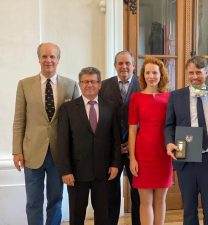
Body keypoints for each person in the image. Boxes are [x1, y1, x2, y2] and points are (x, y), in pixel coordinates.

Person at [12, 42, 80, 225]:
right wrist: (16, 150)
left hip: (59, 154)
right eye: (44, 56)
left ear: (58, 59)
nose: (48, 60)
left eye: (52, 56)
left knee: (55, 201)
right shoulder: (24, 85)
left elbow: (77, 123)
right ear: (38, 59)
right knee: (33, 202)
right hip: (31, 152)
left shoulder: (71, 85)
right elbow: (19, 120)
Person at [57, 67, 121, 225]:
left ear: (100, 84)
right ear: (79, 84)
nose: (89, 85)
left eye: (93, 81)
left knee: (103, 216)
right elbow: (63, 142)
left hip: (104, 172)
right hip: (77, 174)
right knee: (77, 215)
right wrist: (65, 170)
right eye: (85, 81)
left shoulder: (110, 107)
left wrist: (115, 164)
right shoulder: (68, 109)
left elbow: (115, 139)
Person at [164, 56, 208, 225]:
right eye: (191, 73)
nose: (194, 76)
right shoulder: (176, 96)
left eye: (198, 72)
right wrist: (169, 142)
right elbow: (169, 125)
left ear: (206, 73)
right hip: (185, 152)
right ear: (186, 74)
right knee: (188, 205)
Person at [128, 57, 173, 225]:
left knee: (160, 200)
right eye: (147, 72)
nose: (151, 76)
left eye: (154, 72)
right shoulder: (136, 98)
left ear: (161, 75)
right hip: (143, 154)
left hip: (163, 154)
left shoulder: (169, 97)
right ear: (143, 75)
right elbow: (132, 130)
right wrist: (132, 158)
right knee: (145, 201)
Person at [99, 50, 141, 225]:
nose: (124, 66)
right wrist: (116, 144)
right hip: (111, 150)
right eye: (120, 63)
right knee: (111, 194)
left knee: (138, 193)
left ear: (133, 66)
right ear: (114, 65)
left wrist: (131, 144)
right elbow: (100, 118)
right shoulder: (103, 86)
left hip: (137, 150)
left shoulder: (144, 85)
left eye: (127, 63)